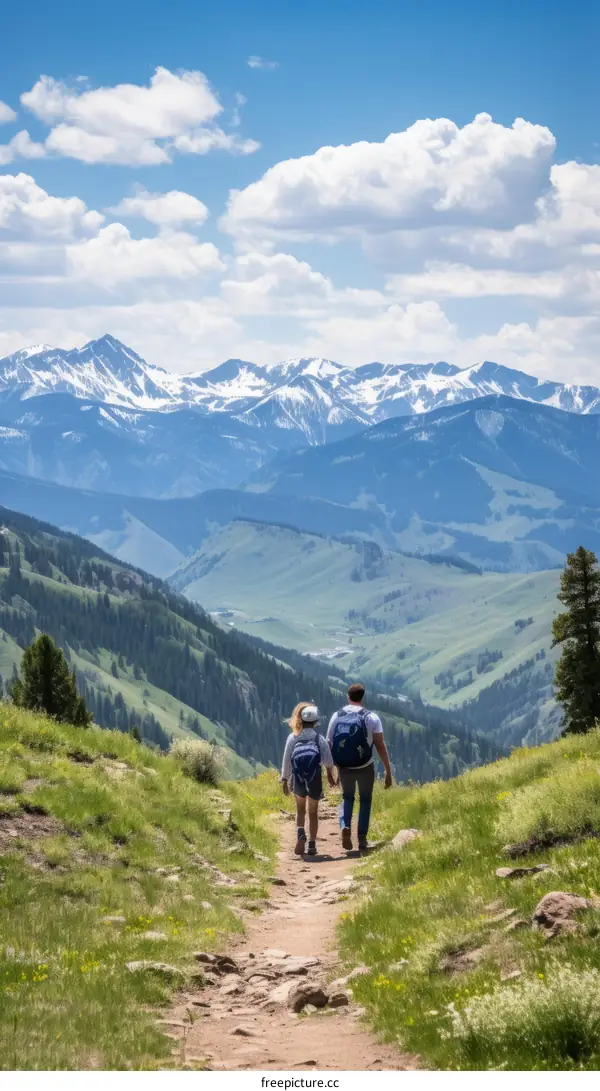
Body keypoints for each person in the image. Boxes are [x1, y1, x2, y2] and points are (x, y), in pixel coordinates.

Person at [327, 682, 393, 852]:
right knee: (365, 800)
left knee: (347, 797)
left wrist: (331, 770)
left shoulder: (337, 715)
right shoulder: (371, 717)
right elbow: (379, 744)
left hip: (344, 767)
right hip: (365, 766)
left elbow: (329, 743)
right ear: (362, 697)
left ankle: (345, 825)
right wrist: (388, 770)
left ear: (348, 697)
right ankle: (362, 840)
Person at [281, 702, 336, 856]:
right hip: (314, 778)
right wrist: (331, 776)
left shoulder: (293, 738)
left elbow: (286, 759)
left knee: (300, 810)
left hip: (297, 778)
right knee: (313, 812)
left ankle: (300, 835)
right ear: (315, 722)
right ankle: (312, 844)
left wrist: (285, 780)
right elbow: (328, 761)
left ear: (301, 720)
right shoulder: (319, 739)